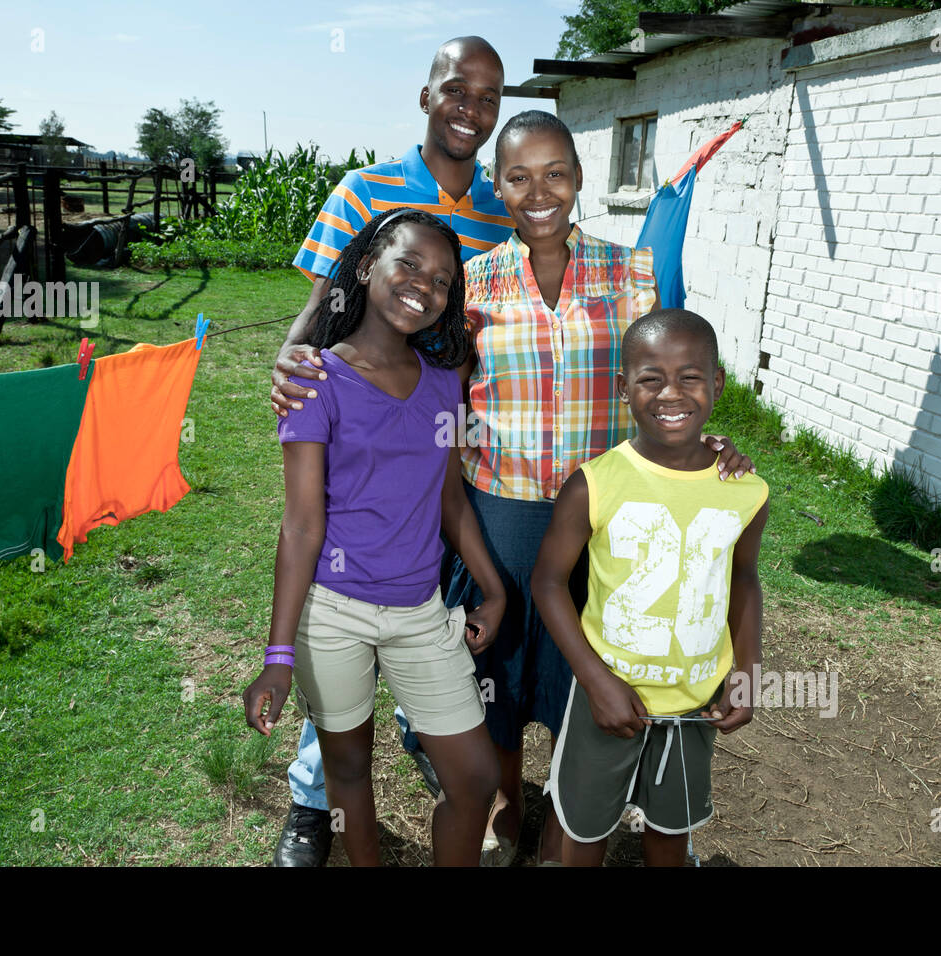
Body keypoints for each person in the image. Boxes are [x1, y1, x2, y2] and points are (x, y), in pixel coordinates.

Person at [439, 112, 755, 865]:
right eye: (518, 176)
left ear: (579, 178)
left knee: (591, 671)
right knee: (503, 675)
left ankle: (574, 806)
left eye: (555, 172)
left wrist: (705, 443)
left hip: (608, 514)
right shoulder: (473, 281)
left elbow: (664, 375)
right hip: (504, 510)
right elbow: (450, 403)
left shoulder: (632, 272)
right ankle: (512, 806)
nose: (538, 191)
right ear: (499, 185)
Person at [266, 35, 515, 867]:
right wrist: (294, 364)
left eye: (488, 96)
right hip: (362, 435)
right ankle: (314, 803)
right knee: (340, 688)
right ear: (427, 95)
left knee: (421, 609)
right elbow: (325, 301)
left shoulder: (501, 212)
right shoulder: (362, 191)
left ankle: (430, 728)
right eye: (457, 90)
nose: (470, 109)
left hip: (451, 443)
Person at [530, 308, 769, 866]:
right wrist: (595, 681)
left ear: (717, 384)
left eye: (690, 376)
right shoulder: (593, 484)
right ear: (623, 388)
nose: (671, 393)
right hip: (606, 695)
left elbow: (744, 577)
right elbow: (547, 582)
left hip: (695, 701)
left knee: (672, 828)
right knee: (585, 831)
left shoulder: (745, 490)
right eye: (650, 378)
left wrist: (749, 671)